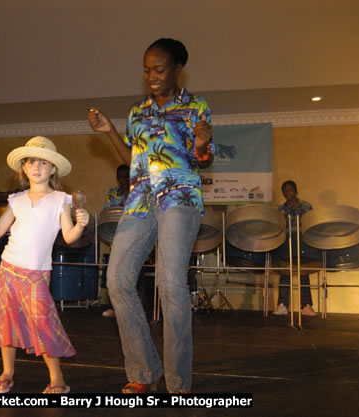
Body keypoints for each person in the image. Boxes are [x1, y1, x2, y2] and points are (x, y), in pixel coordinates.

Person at [87, 38, 214, 393]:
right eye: (146, 70)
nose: (151, 76)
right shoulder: (138, 111)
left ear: (177, 70)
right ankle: (144, 370)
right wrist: (110, 131)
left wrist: (202, 146)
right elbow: (133, 161)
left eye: (159, 69)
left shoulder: (195, 107)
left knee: (170, 285)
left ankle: (177, 381)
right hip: (140, 200)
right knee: (118, 279)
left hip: (179, 198)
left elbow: (204, 159)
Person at [0, 136, 89, 394]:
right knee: (6, 322)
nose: (36, 167)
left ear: (53, 169)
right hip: (8, 269)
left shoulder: (60, 200)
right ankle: (7, 372)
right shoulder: (17, 200)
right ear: (23, 167)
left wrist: (80, 225)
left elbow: (68, 237)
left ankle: (57, 379)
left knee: (44, 323)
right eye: (31, 162)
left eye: (43, 163)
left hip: (37, 275)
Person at [272, 181, 317, 316]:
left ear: (295, 190)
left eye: (290, 190)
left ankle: (306, 306)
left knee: (303, 271)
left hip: (303, 241)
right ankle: (283, 305)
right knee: (286, 271)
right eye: (285, 191)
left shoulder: (306, 206)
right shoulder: (281, 210)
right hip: (287, 242)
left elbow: (311, 223)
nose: (288, 193)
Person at [101, 164, 130, 317]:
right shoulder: (113, 193)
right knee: (115, 274)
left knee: (134, 275)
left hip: (137, 237)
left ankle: (137, 309)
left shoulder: (139, 192)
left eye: (127, 176)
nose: (124, 180)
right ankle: (114, 308)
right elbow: (107, 213)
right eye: (121, 177)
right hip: (118, 237)